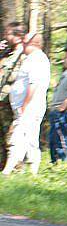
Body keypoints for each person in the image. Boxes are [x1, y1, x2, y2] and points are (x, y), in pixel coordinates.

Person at [2, 33, 50, 175]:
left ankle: (8, 170)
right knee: (28, 138)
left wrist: (24, 105)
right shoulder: (33, 58)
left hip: (30, 107)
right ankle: (32, 170)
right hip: (27, 107)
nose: (22, 43)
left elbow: (33, 85)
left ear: (32, 43)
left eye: (24, 41)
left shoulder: (37, 59)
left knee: (18, 137)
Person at [0, 22, 27, 169]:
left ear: (17, 37)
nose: (5, 36)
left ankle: (16, 166)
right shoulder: (8, 54)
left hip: (12, 102)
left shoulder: (23, 55)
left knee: (11, 136)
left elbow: (18, 78)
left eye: (8, 34)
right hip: (2, 101)